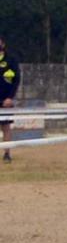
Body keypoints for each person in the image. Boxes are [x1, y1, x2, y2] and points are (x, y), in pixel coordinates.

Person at [0, 35, 17, 163]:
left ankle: (7, 153)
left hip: (5, 101)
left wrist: (10, 98)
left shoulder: (11, 60)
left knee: (6, 127)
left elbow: (16, 80)